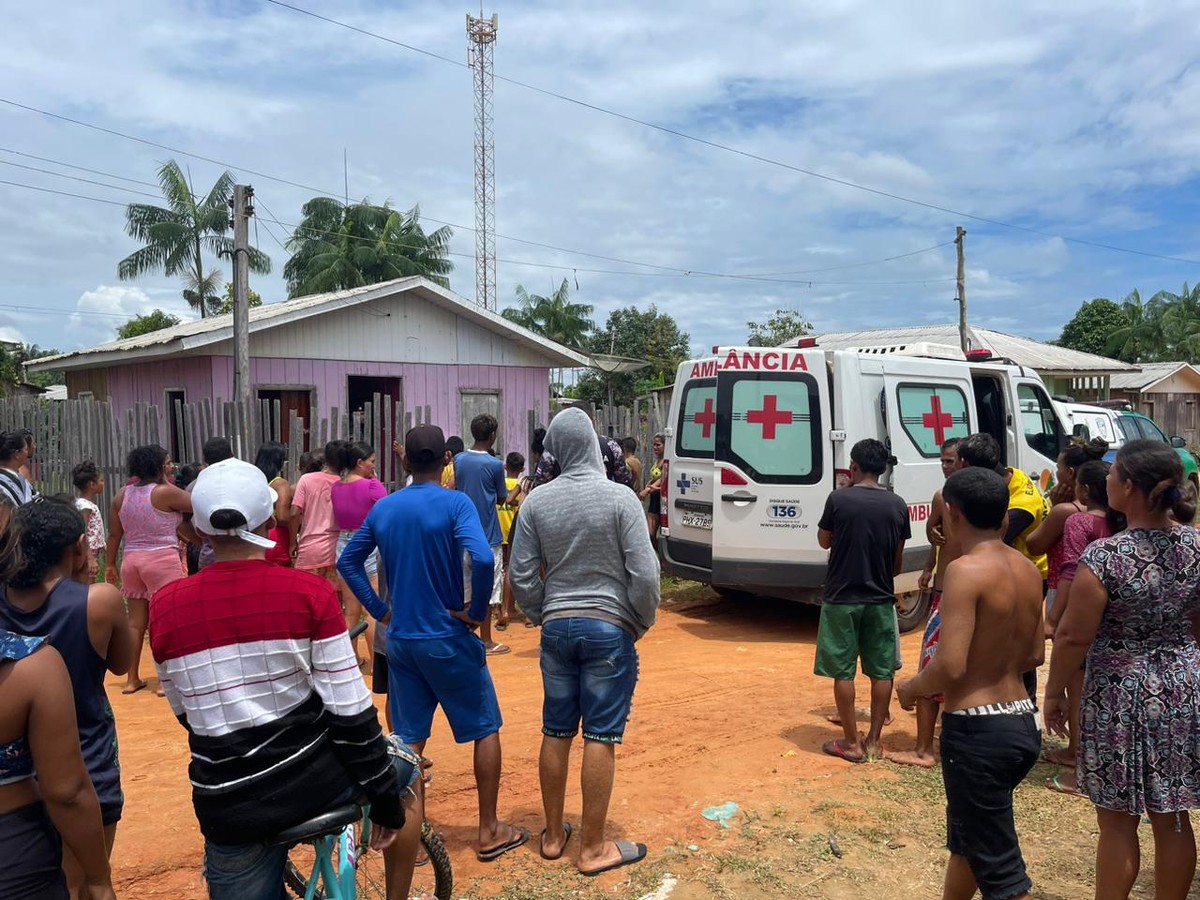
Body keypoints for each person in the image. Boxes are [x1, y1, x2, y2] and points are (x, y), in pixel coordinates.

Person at [149, 458, 425, 900]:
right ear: (266, 520)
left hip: (227, 804)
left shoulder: (164, 607)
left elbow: (188, 715)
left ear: (199, 530)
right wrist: (387, 802)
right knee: (406, 770)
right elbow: (353, 717)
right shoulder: (310, 595)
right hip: (312, 784)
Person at [338, 425, 527, 864]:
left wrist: (380, 608)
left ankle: (410, 839)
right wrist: (477, 609)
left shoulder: (385, 508)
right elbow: (482, 557)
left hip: (401, 640)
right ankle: (488, 830)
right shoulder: (456, 503)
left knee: (407, 742)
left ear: (405, 463)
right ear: (446, 459)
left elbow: (348, 559)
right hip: (448, 637)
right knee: (484, 729)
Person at [1044, 440, 1200, 899]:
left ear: (1129, 487)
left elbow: (1074, 636)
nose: (1105, 480)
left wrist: (1054, 693)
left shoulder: (1106, 557)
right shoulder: (1196, 548)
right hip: (1181, 689)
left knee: (1116, 821)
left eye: (1113, 475)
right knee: (1173, 816)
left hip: (1118, 695)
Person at [510, 407, 660, 876]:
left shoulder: (536, 502)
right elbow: (646, 574)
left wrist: (540, 613)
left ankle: (554, 836)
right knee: (600, 735)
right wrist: (639, 620)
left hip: (556, 630)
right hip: (608, 629)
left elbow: (519, 575)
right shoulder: (621, 499)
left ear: (555, 449)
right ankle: (593, 849)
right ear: (594, 444)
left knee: (556, 729)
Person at [897, 467, 1045, 900]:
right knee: (969, 841)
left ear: (953, 515)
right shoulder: (1026, 569)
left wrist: (912, 688)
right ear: (1003, 515)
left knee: (1002, 873)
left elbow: (951, 666)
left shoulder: (965, 571)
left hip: (979, 729)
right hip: (1021, 722)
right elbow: (1035, 654)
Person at [0, 499, 131, 896]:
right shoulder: (99, 601)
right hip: (88, 759)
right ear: (78, 546)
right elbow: (122, 664)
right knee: (84, 880)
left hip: (22, 776)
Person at [815, 438, 910, 764]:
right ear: (882, 469)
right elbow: (897, 563)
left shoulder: (838, 499)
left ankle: (851, 742)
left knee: (843, 671)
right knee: (882, 671)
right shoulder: (898, 505)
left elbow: (824, 540)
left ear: (853, 466)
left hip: (842, 597)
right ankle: (873, 742)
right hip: (881, 599)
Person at [1042, 460, 1124, 796]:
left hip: (1080, 609)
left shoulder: (1078, 521)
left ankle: (1078, 756)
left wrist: (1053, 618)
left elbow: (1070, 572)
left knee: (1077, 688)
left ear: (1085, 490)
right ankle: (1081, 752)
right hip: (1112, 617)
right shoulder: (1122, 524)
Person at [954, 432, 1048, 706]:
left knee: (1016, 641)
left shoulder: (1021, 503)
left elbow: (990, 541)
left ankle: (1022, 700)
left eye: (957, 462)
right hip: (1006, 569)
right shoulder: (1011, 476)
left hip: (1027, 574)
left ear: (966, 464)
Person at [891, 437, 960, 769]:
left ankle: (938, 746)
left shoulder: (979, 501)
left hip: (960, 595)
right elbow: (934, 534)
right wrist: (928, 568)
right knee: (932, 668)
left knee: (952, 671)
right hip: (943, 591)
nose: (946, 467)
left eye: (951, 461)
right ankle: (923, 747)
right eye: (943, 461)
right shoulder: (940, 497)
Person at [104, 444, 191, 696]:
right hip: (161, 560)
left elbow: (114, 534)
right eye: (167, 463)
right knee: (163, 620)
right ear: (159, 467)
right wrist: (166, 480)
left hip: (131, 560)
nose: (170, 466)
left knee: (135, 623)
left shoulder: (122, 494)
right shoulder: (165, 493)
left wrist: (109, 564)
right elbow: (195, 504)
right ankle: (165, 681)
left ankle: (132, 679)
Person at [1026, 438, 1108, 618]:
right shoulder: (1109, 507)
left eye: (1058, 468)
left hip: (1063, 592)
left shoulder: (1066, 511)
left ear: (1070, 473)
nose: (1057, 473)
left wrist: (1054, 508)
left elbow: (1034, 545)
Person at [454, 415, 511, 655]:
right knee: (486, 590)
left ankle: (464, 638)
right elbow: (501, 498)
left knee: (465, 589)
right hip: (487, 534)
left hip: (462, 533)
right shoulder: (495, 465)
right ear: (492, 436)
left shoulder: (459, 459)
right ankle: (486, 640)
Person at [332, 441, 386, 670]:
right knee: (372, 607)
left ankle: (351, 661)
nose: (373, 466)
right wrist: (375, 479)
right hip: (366, 543)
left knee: (350, 610)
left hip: (343, 542)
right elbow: (386, 505)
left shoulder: (336, 486)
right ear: (360, 463)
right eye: (371, 462)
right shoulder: (371, 486)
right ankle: (376, 664)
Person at [291, 440, 345, 587]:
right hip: (337, 548)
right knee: (335, 601)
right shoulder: (345, 483)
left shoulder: (306, 479)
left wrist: (292, 543)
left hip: (310, 548)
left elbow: (295, 512)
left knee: (306, 596)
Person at [190, 437, 235, 572]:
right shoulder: (241, 482)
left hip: (209, 556)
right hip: (239, 554)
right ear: (232, 455)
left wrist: (202, 540)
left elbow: (183, 520)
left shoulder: (196, 485)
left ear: (205, 460)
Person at [495, 451, 524, 630]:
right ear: (522, 469)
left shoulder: (500, 483)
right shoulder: (520, 486)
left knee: (500, 570)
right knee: (510, 569)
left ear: (505, 467)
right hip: (512, 532)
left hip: (498, 531)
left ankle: (498, 608)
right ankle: (510, 608)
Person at [253, 442, 293, 568]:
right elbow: (282, 517)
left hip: (255, 536)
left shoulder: (253, 481)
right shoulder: (280, 484)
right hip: (277, 537)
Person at [73, 461, 107, 582]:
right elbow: (83, 530)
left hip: (89, 551)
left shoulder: (83, 504)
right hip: (87, 552)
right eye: (101, 481)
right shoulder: (85, 506)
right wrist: (90, 558)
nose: (103, 483)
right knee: (87, 583)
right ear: (91, 484)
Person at [0, 430, 38, 506]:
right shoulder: (19, 479)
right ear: (17, 454)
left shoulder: (17, 477)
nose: (27, 453)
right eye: (26, 449)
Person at [639, 434, 665, 541]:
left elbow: (663, 479)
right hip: (654, 498)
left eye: (658, 445)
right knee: (650, 534)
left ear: (665, 446)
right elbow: (655, 479)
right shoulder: (657, 460)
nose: (655, 447)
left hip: (661, 500)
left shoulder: (665, 462)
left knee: (653, 533)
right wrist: (649, 484)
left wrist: (648, 489)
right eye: (654, 445)